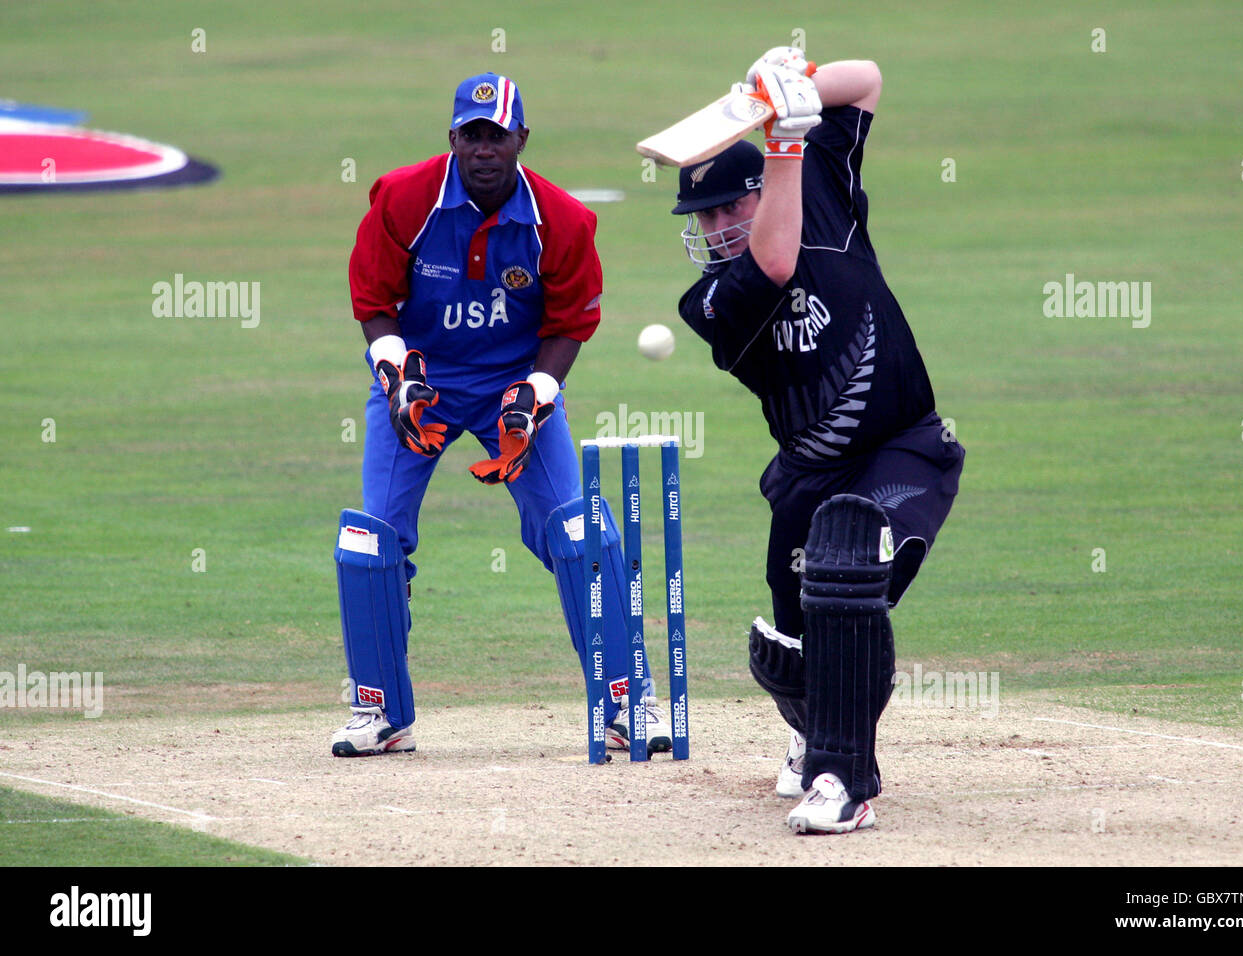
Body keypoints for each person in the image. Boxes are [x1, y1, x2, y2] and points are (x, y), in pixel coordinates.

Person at [668, 49, 965, 832]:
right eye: (704, 217)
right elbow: (774, 259)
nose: (718, 226)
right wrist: (784, 143)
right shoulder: (708, 306)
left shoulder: (820, 179)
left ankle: (845, 781)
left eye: (733, 205)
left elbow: (865, 78)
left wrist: (783, 94)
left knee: (846, 578)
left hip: (904, 445)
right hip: (806, 475)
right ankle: (815, 734)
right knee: (791, 647)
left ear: (764, 187)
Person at [332, 72, 671, 758]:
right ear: (453, 137)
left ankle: (628, 698)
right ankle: (379, 711)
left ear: (521, 138)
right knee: (373, 541)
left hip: (512, 388)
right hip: (420, 382)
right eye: (471, 135)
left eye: (497, 136)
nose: (484, 149)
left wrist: (538, 391)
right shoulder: (404, 198)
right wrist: (394, 371)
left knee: (577, 533)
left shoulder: (564, 221)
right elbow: (373, 296)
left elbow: (573, 319)